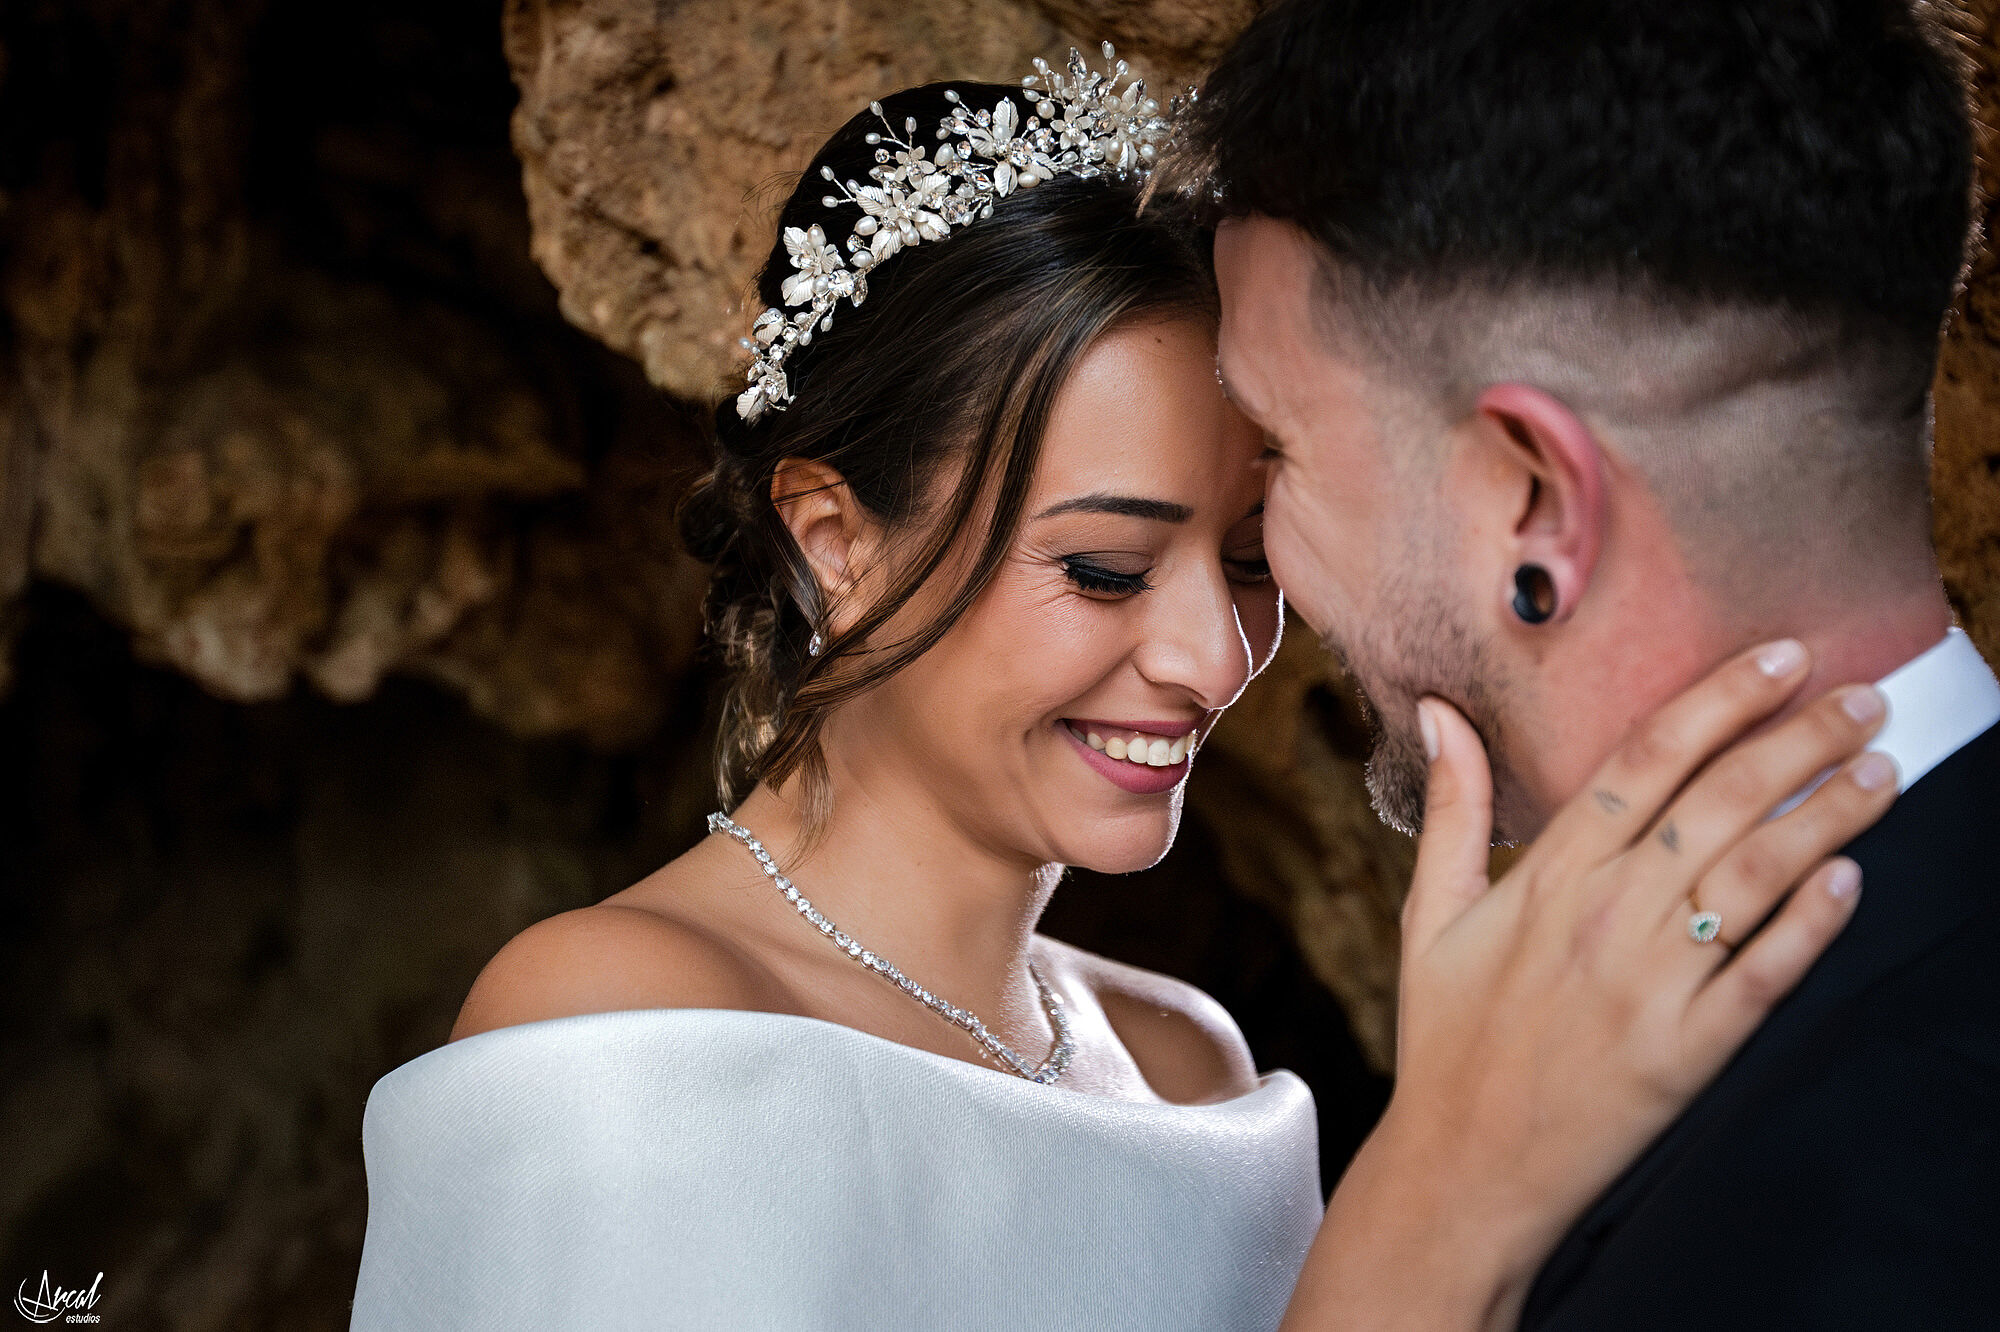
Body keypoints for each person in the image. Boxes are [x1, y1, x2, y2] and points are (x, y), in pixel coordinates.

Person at [349, 52, 1898, 1332]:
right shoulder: (623, 1016)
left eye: (1249, 559)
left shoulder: (1188, 1066)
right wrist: (1444, 1186)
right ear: (835, 543)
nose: (1215, 659)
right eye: (1104, 568)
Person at [1190, 0, 2000, 1327]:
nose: (1267, 547)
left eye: (1279, 446)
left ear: (1537, 506)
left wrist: (1418, 1225)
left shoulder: (1897, 1198)